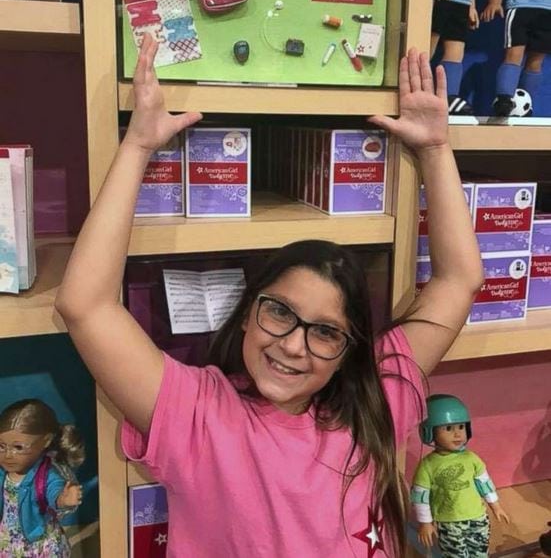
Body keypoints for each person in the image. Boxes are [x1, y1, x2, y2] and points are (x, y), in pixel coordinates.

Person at [55, 34, 483, 557]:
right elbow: (85, 304)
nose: (293, 345)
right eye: (280, 312)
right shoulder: (199, 415)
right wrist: (137, 147)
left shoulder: (377, 396)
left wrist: (436, 150)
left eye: (325, 332)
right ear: (246, 312)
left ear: (348, 348)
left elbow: (459, 281)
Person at [411, 394, 510, 557]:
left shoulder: (472, 458)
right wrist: (425, 522)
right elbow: (420, 497)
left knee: (480, 553)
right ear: (430, 431)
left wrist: (496, 506)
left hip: (478, 518)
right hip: (449, 523)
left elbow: (484, 484)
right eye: (448, 429)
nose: (457, 434)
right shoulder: (427, 465)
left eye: (461, 427)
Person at [0, 399, 85, 557]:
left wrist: (62, 499)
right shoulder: (2, 472)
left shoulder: (45, 474)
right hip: (7, 540)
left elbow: (54, 489)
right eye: (2, 446)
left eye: (18, 447)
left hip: (37, 541)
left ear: (46, 441)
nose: (8, 455)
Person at [481, 0, 551, 117]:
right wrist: (494, 2)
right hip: (521, 7)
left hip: (548, 11)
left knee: (536, 61)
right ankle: (504, 99)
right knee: (514, 55)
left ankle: (526, 105)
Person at [431, 0, 482, 116]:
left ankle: (449, 96)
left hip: (461, 0)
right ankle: (413, 88)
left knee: (456, 51)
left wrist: (471, 5)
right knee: (427, 46)